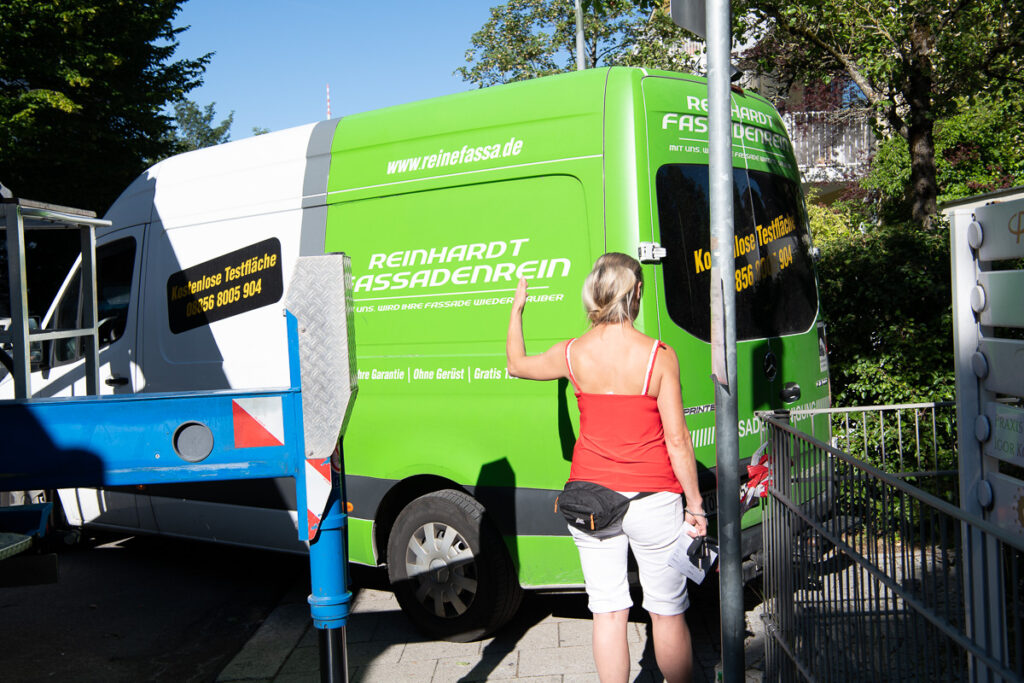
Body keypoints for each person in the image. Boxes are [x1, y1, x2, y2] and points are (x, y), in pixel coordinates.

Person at [506, 252, 707, 683]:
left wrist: (517, 310)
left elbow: (516, 365)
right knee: (667, 612)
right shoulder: (659, 356)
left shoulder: (572, 354)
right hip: (654, 500)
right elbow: (677, 440)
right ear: (635, 293)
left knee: (608, 611)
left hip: (591, 501)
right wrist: (695, 505)